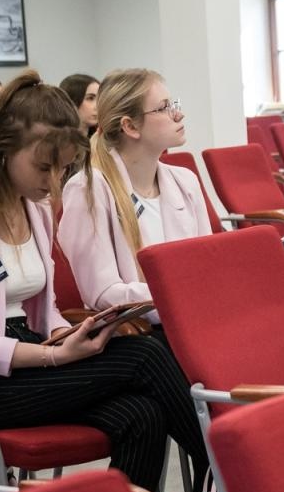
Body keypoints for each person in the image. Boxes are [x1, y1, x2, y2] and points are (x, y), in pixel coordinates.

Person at [0, 70, 208, 492]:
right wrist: (56, 357)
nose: (53, 182)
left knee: (144, 414)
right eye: (44, 167)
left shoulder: (36, 208)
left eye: (62, 168)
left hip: (28, 349)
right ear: (1, 150)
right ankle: (235, 480)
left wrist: (67, 332)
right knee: (144, 356)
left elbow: (43, 312)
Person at [57, 68, 212, 315]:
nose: (179, 114)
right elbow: (102, 293)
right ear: (130, 126)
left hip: (192, 316)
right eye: (163, 108)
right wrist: (181, 292)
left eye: (174, 104)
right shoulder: (89, 187)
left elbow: (208, 265)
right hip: (136, 332)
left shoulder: (186, 181)